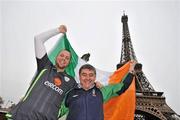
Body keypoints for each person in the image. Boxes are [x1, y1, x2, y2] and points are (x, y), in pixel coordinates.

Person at [6, 25, 77, 120]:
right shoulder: (45, 65)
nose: (64, 58)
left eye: (67, 58)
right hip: (21, 116)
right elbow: (38, 39)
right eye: (62, 55)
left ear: (69, 63)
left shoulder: (71, 82)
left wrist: (98, 85)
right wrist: (58, 30)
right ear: (56, 57)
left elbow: (84, 89)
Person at [59, 62, 136, 120]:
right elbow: (59, 112)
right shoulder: (70, 93)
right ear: (79, 76)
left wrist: (130, 71)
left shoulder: (101, 91)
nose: (87, 78)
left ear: (95, 77)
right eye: (84, 75)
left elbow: (122, 87)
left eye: (91, 75)